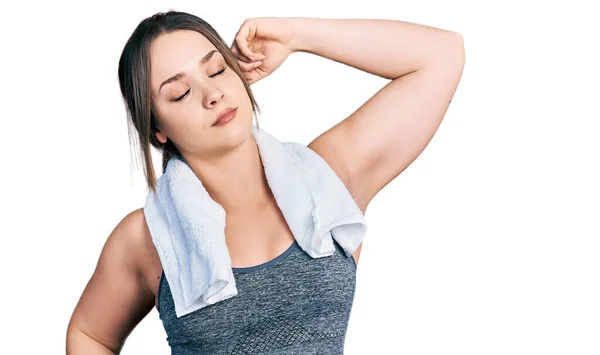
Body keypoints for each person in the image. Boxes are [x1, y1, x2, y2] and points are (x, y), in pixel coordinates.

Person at [66, 10, 464, 354]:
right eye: (182, 92)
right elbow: (89, 335)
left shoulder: (326, 178)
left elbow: (441, 56)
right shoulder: (144, 237)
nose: (212, 94)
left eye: (217, 69)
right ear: (158, 130)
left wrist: (296, 36)